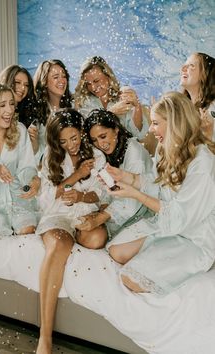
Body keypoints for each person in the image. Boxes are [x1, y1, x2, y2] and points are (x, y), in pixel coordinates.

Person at [105, 91, 215, 295]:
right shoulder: (166, 147)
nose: (152, 130)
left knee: (130, 278)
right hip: (170, 225)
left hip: (194, 237)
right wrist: (125, 176)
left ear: (174, 122)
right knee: (115, 251)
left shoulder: (202, 162)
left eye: (156, 123)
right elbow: (157, 184)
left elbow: (180, 217)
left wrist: (135, 195)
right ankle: (157, 253)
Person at [36, 108, 107, 354]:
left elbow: (104, 194)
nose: (71, 146)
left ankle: (82, 232)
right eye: (64, 141)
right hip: (57, 215)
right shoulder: (51, 156)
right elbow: (45, 200)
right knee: (59, 244)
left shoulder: (97, 155)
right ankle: (45, 337)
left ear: (82, 133)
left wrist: (81, 195)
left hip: (84, 212)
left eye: (75, 138)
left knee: (97, 238)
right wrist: (77, 175)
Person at [0, 82, 40, 240]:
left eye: (12, 104)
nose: (9, 110)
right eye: (2, 105)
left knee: (27, 232)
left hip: (17, 196)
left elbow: (27, 167)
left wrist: (33, 180)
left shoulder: (19, 130)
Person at [82, 109, 153, 238]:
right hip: (121, 209)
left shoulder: (134, 153)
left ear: (116, 129)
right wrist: (103, 207)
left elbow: (132, 203)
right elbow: (105, 189)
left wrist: (100, 218)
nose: (100, 144)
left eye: (103, 136)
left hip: (143, 212)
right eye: (94, 140)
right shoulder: (106, 153)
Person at [74, 56, 157, 155]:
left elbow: (138, 134)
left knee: (146, 110)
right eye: (88, 84)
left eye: (96, 81)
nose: (93, 87)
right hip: (97, 154)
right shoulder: (85, 102)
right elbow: (86, 135)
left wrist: (137, 106)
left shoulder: (121, 98)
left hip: (122, 152)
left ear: (108, 77)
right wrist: (111, 113)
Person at [33, 59, 73, 165]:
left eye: (64, 76)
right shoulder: (35, 113)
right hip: (46, 167)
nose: (62, 80)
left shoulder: (74, 106)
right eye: (56, 77)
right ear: (44, 82)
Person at [0, 65, 41, 151]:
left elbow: (29, 159)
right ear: (7, 81)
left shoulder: (26, 118)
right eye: (17, 82)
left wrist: (34, 144)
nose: (22, 88)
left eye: (26, 85)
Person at [180, 52, 215, 141]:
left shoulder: (212, 109)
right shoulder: (184, 108)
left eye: (191, 65)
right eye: (185, 65)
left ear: (205, 74)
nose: (183, 68)